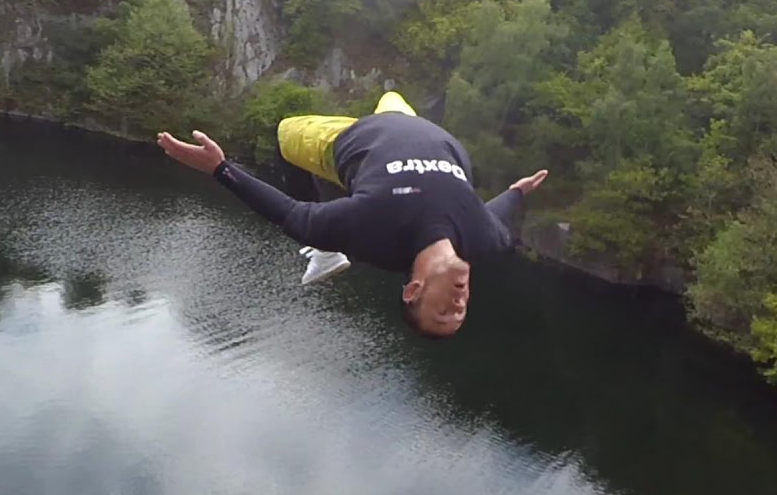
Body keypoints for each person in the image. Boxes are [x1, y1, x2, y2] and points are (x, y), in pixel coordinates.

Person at [156, 90, 548, 338]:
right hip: (409, 122)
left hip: (348, 141)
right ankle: (329, 240)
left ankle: (325, 248)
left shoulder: (375, 229)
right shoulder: (485, 239)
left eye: (444, 310)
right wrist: (518, 190)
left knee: (284, 131)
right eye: (460, 312)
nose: (459, 304)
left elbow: (291, 215)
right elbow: (497, 211)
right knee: (391, 93)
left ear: (414, 290)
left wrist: (220, 169)